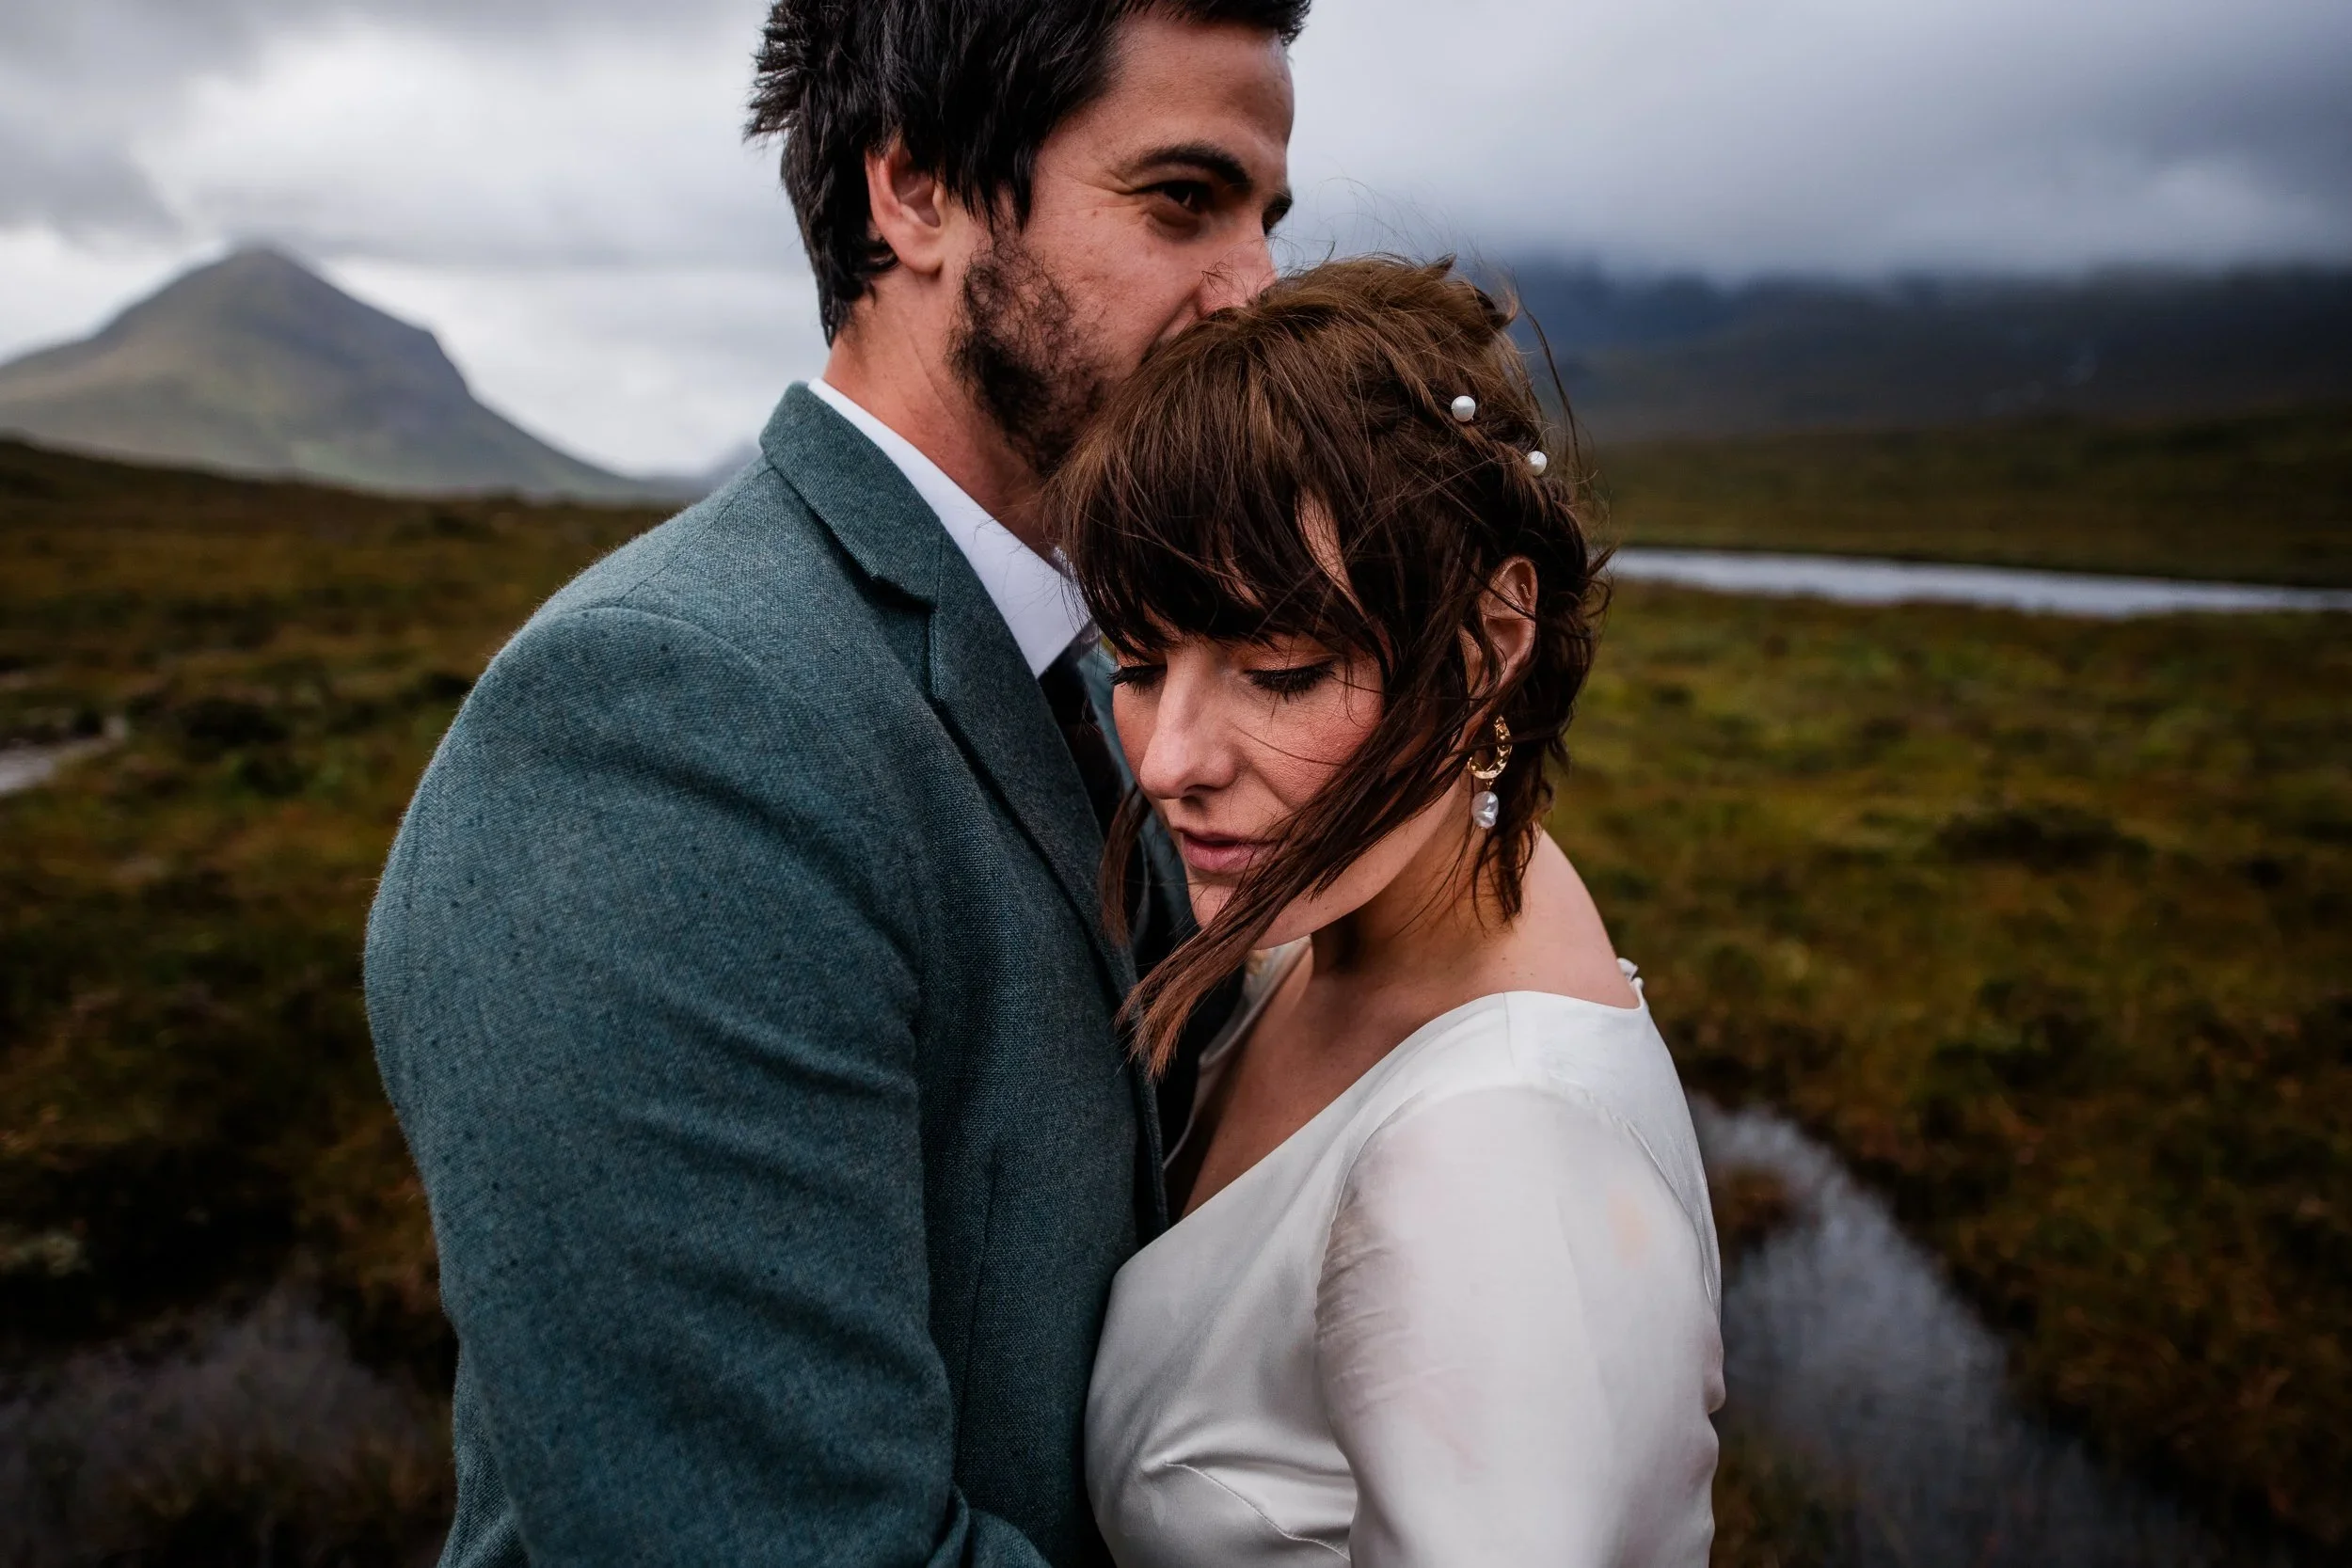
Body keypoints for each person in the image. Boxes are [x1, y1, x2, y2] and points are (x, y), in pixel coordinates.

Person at [363, 2, 1304, 1562]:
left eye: (1269, 219)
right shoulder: (660, 730)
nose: (1256, 291)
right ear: (917, 191)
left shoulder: (1099, 676)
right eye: (1182, 201)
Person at [1044, 258, 1726, 1566]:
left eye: (1280, 670)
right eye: (1137, 662)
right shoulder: (1347, 922)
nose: (1171, 755)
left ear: (1486, 647)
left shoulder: (1498, 1167)